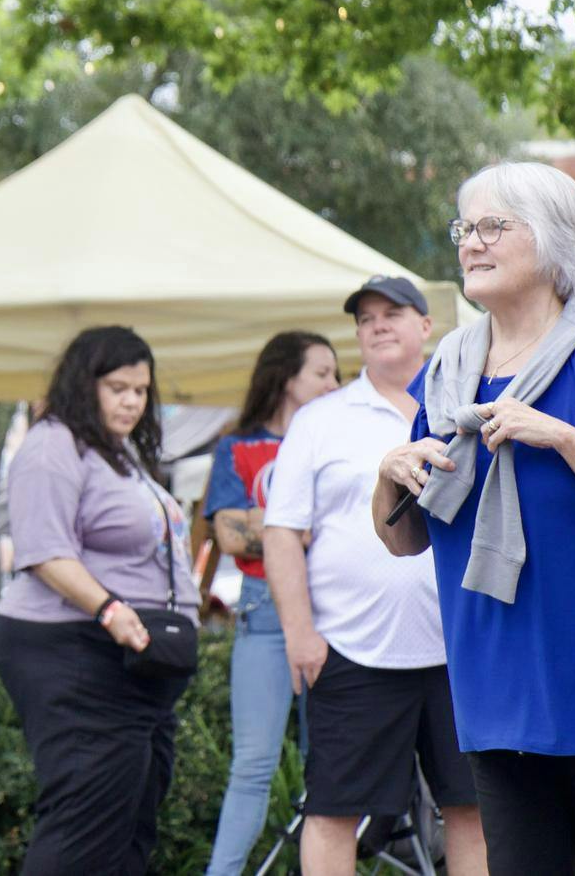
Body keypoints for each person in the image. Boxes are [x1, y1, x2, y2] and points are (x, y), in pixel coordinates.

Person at [375, 162, 575, 874]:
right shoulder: (448, 370)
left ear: (554, 241)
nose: (472, 242)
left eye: (494, 226)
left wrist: (565, 438)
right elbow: (406, 538)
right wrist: (387, 472)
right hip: (499, 699)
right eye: (466, 227)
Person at [261, 277, 485, 876]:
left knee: (474, 810)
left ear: (426, 326)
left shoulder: (468, 406)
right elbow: (281, 530)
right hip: (352, 650)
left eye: (392, 313)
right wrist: (299, 633)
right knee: (333, 813)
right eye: (365, 319)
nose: (378, 325)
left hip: (462, 648)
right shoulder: (319, 418)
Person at [0, 325, 199, 876]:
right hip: (73, 649)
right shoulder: (52, 444)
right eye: (118, 387)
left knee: (133, 814)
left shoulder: (119, 450)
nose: (132, 400)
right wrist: (111, 609)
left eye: (141, 389)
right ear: (85, 385)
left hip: (133, 660)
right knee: (87, 815)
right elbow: (43, 551)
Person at [202, 331, 340, 876]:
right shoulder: (236, 446)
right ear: (287, 378)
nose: (336, 384)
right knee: (254, 765)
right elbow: (230, 534)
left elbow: (251, 527)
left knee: (328, 769)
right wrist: (304, 526)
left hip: (333, 611)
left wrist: (275, 527)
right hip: (264, 611)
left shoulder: (336, 439)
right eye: (323, 373)